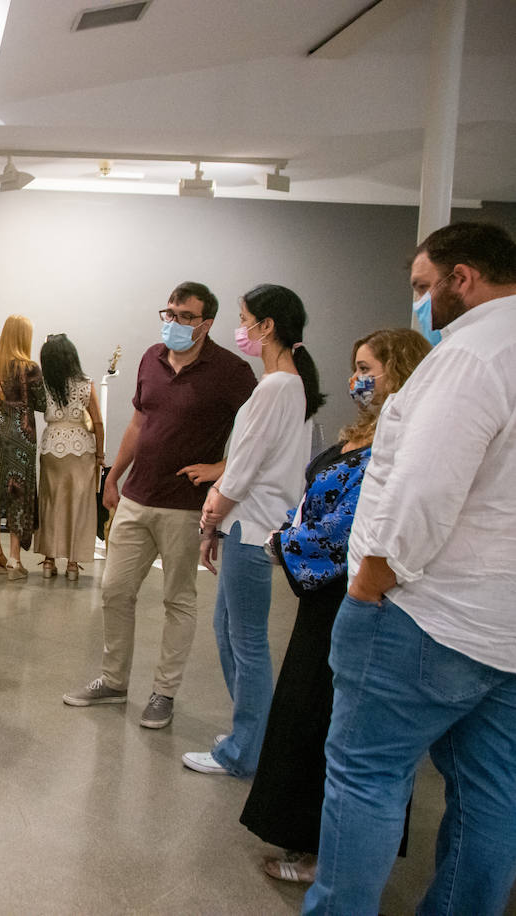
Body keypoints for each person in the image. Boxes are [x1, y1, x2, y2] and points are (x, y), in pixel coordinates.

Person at [305, 222, 516, 915]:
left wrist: (371, 582)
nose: (420, 303)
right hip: (505, 632)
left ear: (463, 278)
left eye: (425, 287)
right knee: (491, 797)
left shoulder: (471, 356)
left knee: (366, 777)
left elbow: (423, 491)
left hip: (426, 615)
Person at [242, 328, 430, 883]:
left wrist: (284, 543)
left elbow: (350, 529)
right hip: (321, 603)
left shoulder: (398, 444)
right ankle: (309, 839)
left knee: (338, 726)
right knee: (309, 717)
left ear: (397, 372)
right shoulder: (366, 433)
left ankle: (332, 859)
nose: (356, 378)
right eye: (355, 366)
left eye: (367, 367)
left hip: (354, 596)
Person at [63, 282, 257, 729]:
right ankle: (113, 680)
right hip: (136, 496)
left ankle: (164, 692)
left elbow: (261, 435)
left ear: (206, 323)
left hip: (186, 507)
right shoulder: (151, 357)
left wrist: (221, 468)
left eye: (185, 317)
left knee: (179, 600)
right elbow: (138, 421)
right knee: (114, 590)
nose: (173, 323)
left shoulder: (231, 371)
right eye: (168, 314)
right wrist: (113, 475)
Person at [181, 284, 322, 777]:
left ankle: (245, 749)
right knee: (230, 632)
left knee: (246, 642)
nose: (240, 330)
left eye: (245, 320)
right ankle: (252, 735)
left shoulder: (277, 387)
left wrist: (211, 518)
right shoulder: (289, 386)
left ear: (267, 327)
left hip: (251, 526)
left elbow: (243, 467)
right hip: (252, 524)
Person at [0, 315, 46, 580]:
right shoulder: (30, 368)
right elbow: (40, 403)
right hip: (21, 436)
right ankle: (14, 561)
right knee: (18, 494)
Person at [34, 334, 103, 581]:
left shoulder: (44, 384)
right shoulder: (85, 383)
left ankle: (49, 561)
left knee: (51, 504)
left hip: (51, 447)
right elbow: (97, 421)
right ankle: (72, 564)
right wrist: (100, 453)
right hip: (81, 448)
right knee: (78, 505)